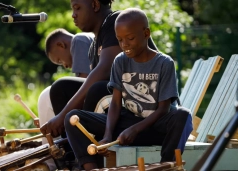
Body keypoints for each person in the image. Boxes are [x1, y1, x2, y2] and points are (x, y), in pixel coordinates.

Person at [64, 8, 193, 170]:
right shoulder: (120, 61)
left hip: (157, 127)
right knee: (73, 118)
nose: (125, 45)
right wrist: (108, 135)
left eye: (130, 38)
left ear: (146, 34)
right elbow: (116, 104)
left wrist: (135, 129)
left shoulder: (164, 63)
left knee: (183, 115)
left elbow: (163, 109)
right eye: (119, 40)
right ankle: (91, 168)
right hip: (128, 124)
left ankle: (166, 165)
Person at [40, 0, 158, 138]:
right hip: (120, 107)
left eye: (77, 8)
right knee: (61, 87)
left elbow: (105, 70)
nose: (73, 15)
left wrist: (62, 116)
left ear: (95, 5)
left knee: (96, 88)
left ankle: (84, 149)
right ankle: (71, 149)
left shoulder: (116, 22)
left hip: (147, 112)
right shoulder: (94, 47)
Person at [37, 28, 94, 170]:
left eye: (60, 60)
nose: (65, 65)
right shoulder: (89, 38)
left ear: (61, 45)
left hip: (100, 94)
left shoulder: (79, 40)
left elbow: (84, 87)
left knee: (56, 89)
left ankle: (64, 156)